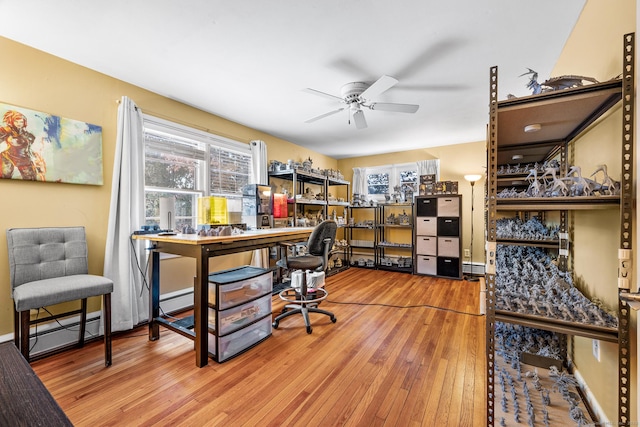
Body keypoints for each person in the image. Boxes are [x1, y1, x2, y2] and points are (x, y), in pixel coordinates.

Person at [0, 110, 45, 181]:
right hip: (8, 157)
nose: (19, 123)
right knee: (5, 177)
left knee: (31, 179)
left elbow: (29, 149)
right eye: (16, 121)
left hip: (24, 159)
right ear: (12, 122)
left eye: (21, 121)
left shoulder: (28, 135)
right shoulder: (7, 131)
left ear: (24, 122)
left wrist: (37, 161)